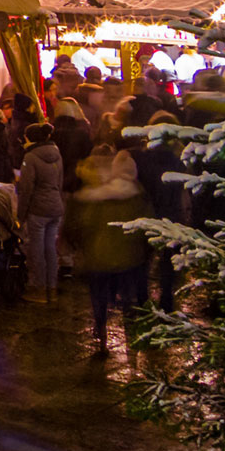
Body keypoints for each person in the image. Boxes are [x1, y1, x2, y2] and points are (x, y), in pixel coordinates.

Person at [67, 150, 149, 351]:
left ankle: (102, 333)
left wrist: (76, 244)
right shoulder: (136, 195)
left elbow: (80, 224)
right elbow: (147, 226)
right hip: (128, 257)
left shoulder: (93, 197)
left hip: (98, 256)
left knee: (99, 296)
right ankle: (132, 335)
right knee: (128, 298)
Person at [18, 136, 67, 303]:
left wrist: (20, 214)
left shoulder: (30, 157)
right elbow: (60, 183)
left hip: (38, 209)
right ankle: (51, 288)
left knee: (36, 250)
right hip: (56, 207)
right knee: (51, 248)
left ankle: (38, 289)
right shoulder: (57, 154)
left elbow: (26, 188)